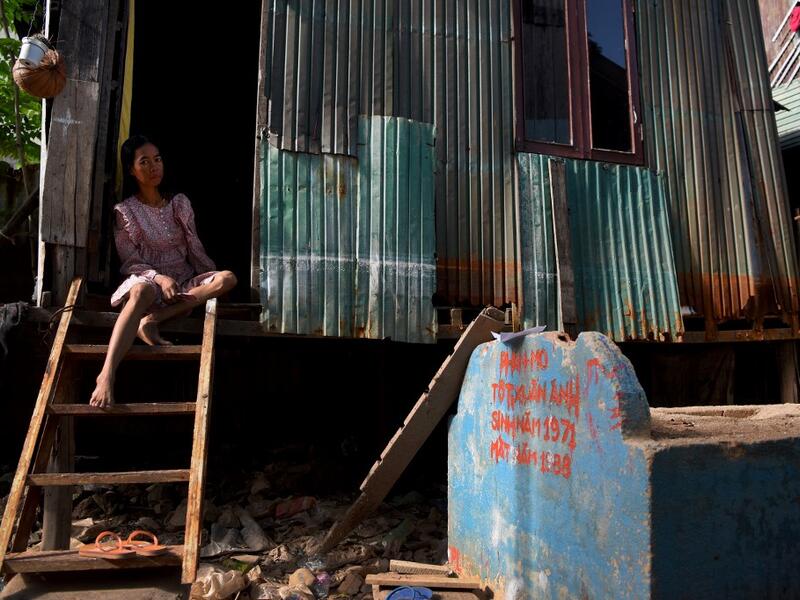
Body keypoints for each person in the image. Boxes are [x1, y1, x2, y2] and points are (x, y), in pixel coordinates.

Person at [89, 135, 236, 407]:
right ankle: (106, 374)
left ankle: (152, 321)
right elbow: (131, 262)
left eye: (157, 160)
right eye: (144, 162)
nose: (154, 167)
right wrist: (159, 278)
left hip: (183, 284)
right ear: (131, 170)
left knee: (227, 278)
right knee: (140, 291)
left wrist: (207, 284)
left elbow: (194, 247)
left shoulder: (179, 203)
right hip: (150, 282)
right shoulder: (125, 212)